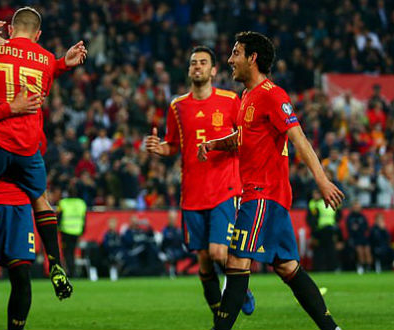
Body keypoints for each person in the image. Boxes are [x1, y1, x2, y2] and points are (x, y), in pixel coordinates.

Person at [199, 31, 344, 330]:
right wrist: (215, 144)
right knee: (288, 267)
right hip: (268, 197)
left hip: (262, 195)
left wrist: (323, 181)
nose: (229, 60)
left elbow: (298, 138)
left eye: (236, 53)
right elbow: (244, 138)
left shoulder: (272, 95)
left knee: (237, 262)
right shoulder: (246, 97)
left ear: (252, 58)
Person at [0, 7, 87, 231]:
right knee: (40, 198)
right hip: (28, 146)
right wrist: (61, 65)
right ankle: (54, 260)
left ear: (10, 29)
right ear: (38, 35)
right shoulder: (47, 58)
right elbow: (41, 81)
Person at [145, 45, 254, 317]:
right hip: (192, 194)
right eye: (193, 63)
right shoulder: (177, 106)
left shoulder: (230, 101)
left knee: (219, 253)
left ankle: (241, 286)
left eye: (203, 63)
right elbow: (173, 144)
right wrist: (162, 149)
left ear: (213, 70)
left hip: (224, 189)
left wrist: (221, 146)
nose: (197, 67)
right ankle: (219, 313)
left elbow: (245, 140)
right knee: (204, 261)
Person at [0, 176, 72, 330]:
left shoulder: (32, 154)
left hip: (18, 206)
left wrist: (55, 262)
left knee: (21, 272)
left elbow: (40, 198)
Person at [308, 190, 342, 272]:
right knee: (324, 250)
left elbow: (338, 216)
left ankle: (327, 268)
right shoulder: (316, 204)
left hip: (328, 229)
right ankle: (326, 268)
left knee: (326, 250)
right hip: (321, 230)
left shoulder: (317, 204)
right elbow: (312, 219)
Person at [58, 187, 87, 276]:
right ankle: (73, 271)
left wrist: (58, 227)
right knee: (73, 251)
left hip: (66, 231)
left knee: (67, 253)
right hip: (77, 231)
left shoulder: (63, 203)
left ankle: (71, 272)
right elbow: (84, 218)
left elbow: (59, 217)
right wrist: (82, 230)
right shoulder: (81, 203)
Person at [345, 201, 372, 274]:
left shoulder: (362, 216)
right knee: (360, 250)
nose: (357, 208)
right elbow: (350, 229)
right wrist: (357, 229)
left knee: (367, 250)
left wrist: (358, 228)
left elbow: (366, 227)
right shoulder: (350, 217)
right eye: (355, 206)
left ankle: (369, 266)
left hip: (362, 237)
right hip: (354, 238)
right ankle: (361, 266)